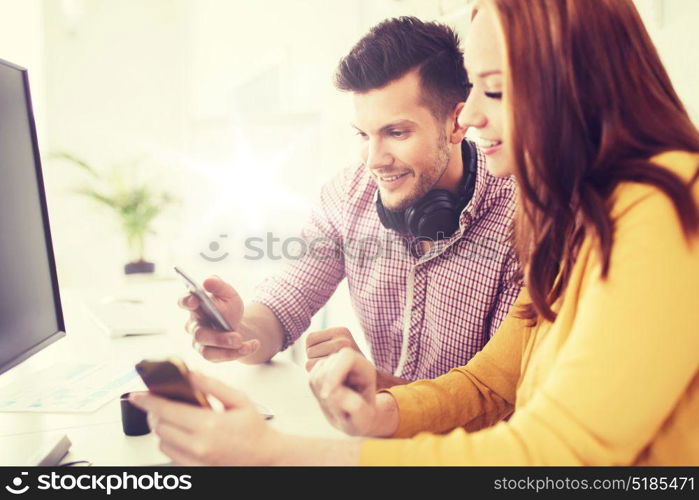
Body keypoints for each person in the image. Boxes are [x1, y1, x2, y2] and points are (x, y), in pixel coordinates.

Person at [132, 0, 699, 465]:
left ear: (579, 85)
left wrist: (279, 455)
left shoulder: (661, 206)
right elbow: (492, 386)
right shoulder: (564, 213)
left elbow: (552, 452)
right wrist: (385, 408)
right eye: (363, 134)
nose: (474, 114)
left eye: (494, 89)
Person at [180, 17, 520, 387]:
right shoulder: (347, 195)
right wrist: (237, 330)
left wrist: (375, 384)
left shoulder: (523, 218)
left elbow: (500, 398)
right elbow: (285, 301)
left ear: (457, 124)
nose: (374, 160)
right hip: (376, 435)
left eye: (396, 132)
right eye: (363, 134)